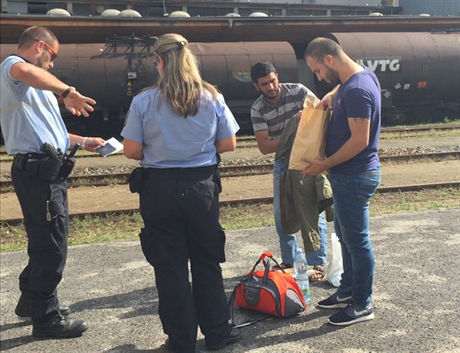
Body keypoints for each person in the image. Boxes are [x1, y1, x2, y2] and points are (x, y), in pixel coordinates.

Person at [122, 33, 242, 353]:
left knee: (170, 268)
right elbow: (228, 145)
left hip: (159, 191)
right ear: (190, 59)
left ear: (159, 62)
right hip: (201, 187)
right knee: (207, 262)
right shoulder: (211, 96)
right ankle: (218, 334)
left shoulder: (144, 101)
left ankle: (181, 342)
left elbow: (132, 151)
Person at [0, 26, 105, 338]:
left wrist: (84, 141)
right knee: (53, 247)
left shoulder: (36, 87)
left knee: (43, 241)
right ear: (40, 46)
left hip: (47, 173)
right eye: (53, 56)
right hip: (38, 174)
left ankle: (31, 301)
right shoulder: (13, 67)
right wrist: (67, 91)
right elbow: (24, 70)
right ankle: (46, 320)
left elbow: (51, 133)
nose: (53, 64)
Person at [303, 37, 382, 326]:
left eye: (319, 71)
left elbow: (359, 140)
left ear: (330, 60)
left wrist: (324, 164)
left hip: (353, 176)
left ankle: (362, 304)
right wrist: (331, 94)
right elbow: (345, 85)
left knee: (357, 242)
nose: (319, 77)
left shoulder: (358, 90)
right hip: (349, 176)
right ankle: (348, 291)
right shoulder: (357, 78)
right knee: (348, 239)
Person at [250, 61, 328, 280]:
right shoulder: (257, 108)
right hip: (283, 163)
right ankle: (290, 260)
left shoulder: (299, 91)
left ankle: (317, 262)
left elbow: (322, 112)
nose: (270, 87)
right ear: (257, 86)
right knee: (281, 213)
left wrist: (308, 117)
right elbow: (264, 147)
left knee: (313, 211)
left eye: (272, 81)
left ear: (277, 76)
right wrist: (293, 130)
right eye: (264, 84)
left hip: (307, 159)